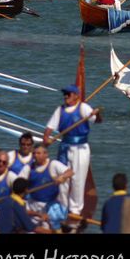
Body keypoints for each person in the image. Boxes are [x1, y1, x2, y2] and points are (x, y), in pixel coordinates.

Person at [43, 85, 100, 218]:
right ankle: (62, 207)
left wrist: (96, 114)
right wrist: (46, 139)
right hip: (64, 147)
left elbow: (97, 120)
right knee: (62, 178)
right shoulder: (60, 110)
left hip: (80, 148)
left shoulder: (84, 108)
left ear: (76, 95)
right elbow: (49, 128)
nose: (66, 96)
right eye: (65, 94)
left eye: (68, 94)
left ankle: (75, 210)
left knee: (77, 180)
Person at [19, 143, 73, 231]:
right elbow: (18, 184)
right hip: (33, 205)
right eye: (34, 153)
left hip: (50, 206)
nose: (36, 155)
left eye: (38, 153)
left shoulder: (53, 164)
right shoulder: (28, 168)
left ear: (46, 154)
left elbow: (70, 172)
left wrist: (62, 177)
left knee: (46, 229)